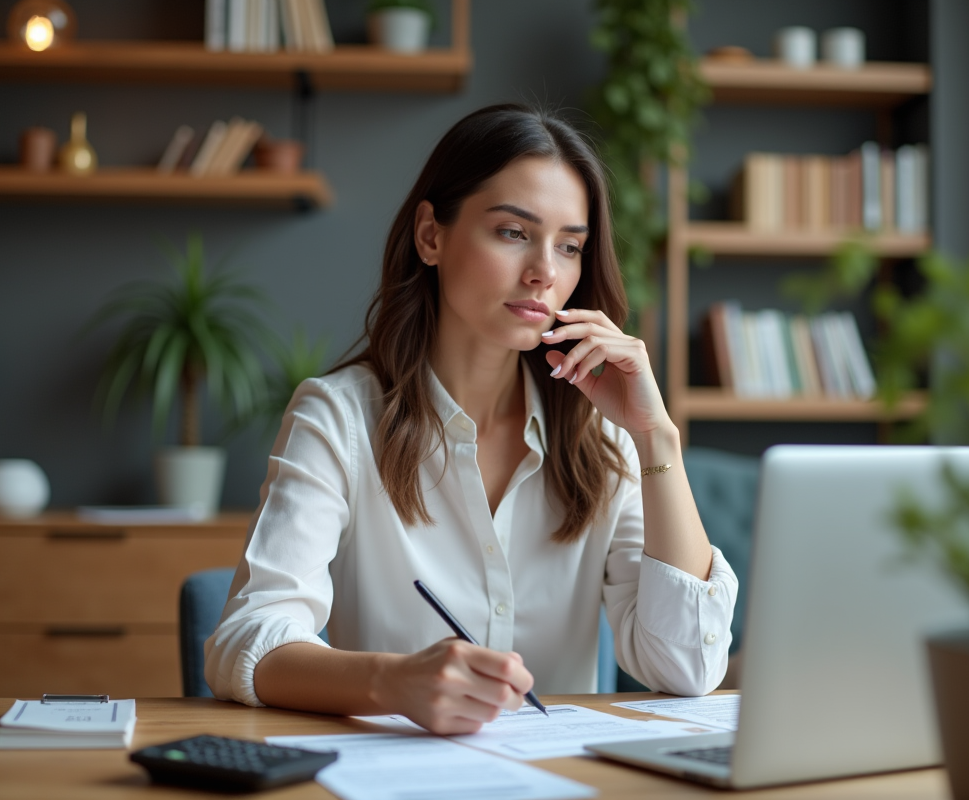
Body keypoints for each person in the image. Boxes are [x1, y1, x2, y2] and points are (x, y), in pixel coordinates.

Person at [205, 104, 738, 735]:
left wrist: (656, 439)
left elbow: (686, 668)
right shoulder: (340, 417)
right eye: (514, 232)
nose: (545, 271)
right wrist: (394, 683)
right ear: (431, 236)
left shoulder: (600, 438)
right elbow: (247, 636)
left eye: (569, 246)